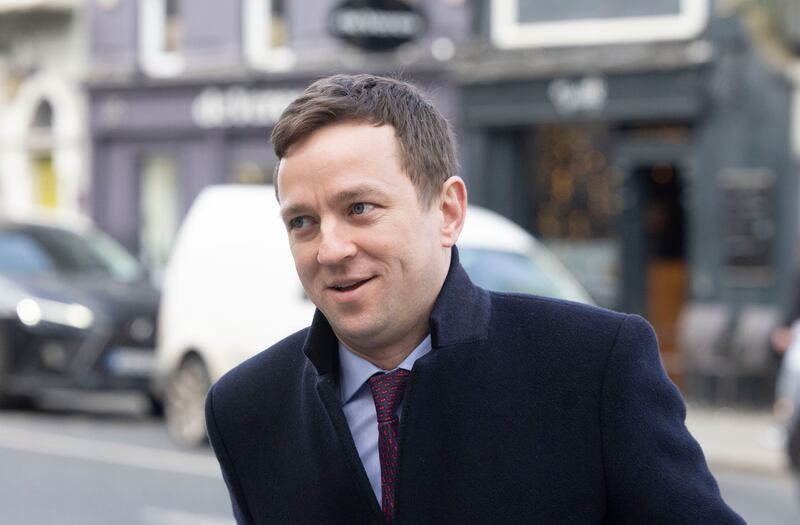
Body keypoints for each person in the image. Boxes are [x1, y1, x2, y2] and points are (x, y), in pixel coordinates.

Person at [204, 74, 744, 524]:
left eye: (360, 208)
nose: (331, 248)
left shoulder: (594, 364)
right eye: (303, 221)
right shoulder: (246, 408)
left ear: (448, 212)